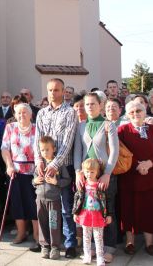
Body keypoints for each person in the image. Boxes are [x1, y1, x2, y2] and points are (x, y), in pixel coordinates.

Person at [34, 78, 79, 258]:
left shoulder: (69, 112)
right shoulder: (42, 113)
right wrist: (39, 161)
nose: (53, 93)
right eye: (51, 90)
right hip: (44, 166)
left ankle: (69, 244)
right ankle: (50, 244)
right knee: (45, 208)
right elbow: (37, 139)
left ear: (63, 91)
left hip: (62, 166)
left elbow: (67, 142)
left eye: (57, 90)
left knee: (65, 207)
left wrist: (54, 164)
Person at [73, 93, 119, 259]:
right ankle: (92, 247)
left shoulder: (108, 125)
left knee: (107, 210)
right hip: (87, 176)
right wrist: (78, 172)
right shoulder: (81, 126)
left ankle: (109, 248)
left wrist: (107, 173)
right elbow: (78, 150)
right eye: (87, 104)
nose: (90, 107)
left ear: (100, 105)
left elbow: (114, 151)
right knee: (89, 209)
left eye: (93, 104)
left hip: (104, 176)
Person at [117, 99, 153, 256]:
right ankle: (130, 242)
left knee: (150, 210)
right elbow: (120, 152)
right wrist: (137, 164)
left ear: (145, 112)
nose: (135, 114)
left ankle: (150, 244)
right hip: (130, 177)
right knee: (128, 210)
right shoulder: (122, 130)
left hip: (151, 176)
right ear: (127, 115)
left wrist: (150, 163)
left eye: (139, 111)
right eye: (132, 112)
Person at [2, 102, 38, 245]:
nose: (21, 115)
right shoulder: (10, 127)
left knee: (34, 204)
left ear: (30, 114)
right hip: (15, 172)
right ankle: (21, 233)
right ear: (15, 115)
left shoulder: (37, 128)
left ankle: (36, 234)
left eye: (25, 112)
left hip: (34, 173)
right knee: (17, 203)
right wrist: (9, 165)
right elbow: (4, 148)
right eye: (19, 113)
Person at [34, 136, 71, 259]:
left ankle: (55, 247)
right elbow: (33, 181)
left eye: (47, 149)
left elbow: (67, 180)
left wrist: (56, 182)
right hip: (40, 200)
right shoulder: (40, 164)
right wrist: (35, 181)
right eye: (42, 150)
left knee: (53, 223)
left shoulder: (58, 165)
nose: (45, 152)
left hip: (53, 200)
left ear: (54, 149)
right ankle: (45, 246)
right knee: (42, 222)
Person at [73, 158, 112, 266]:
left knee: (98, 238)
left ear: (97, 172)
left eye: (92, 172)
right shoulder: (82, 185)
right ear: (83, 171)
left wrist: (109, 214)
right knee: (86, 237)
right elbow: (77, 199)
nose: (89, 174)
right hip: (85, 215)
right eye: (86, 171)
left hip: (98, 215)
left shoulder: (100, 186)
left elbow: (107, 200)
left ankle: (100, 257)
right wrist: (75, 213)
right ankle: (87, 255)